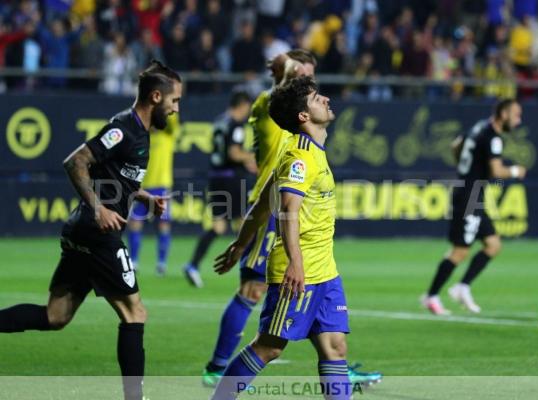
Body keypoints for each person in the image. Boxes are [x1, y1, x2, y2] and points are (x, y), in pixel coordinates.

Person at [0, 60, 182, 400]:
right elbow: (76, 161)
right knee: (135, 312)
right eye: (174, 101)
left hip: (81, 233)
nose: (175, 109)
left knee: (55, 316)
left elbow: (114, 176)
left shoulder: (139, 133)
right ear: (156, 97)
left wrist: (143, 197)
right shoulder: (124, 128)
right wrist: (99, 209)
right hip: (97, 233)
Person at [201, 49, 380, 388]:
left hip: (325, 270)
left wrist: (240, 245)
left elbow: (260, 208)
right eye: (315, 97)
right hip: (300, 271)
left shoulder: (306, 151)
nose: (325, 98)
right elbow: (285, 211)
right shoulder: (300, 157)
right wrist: (295, 264)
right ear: (302, 115)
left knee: (335, 347)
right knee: (269, 347)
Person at [421, 99, 527, 315]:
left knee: (493, 245)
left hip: (472, 193)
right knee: (460, 251)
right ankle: (431, 296)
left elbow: (455, 145)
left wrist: (465, 168)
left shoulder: (479, 127)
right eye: (516, 115)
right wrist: (516, 171)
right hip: (470, 196)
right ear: (504, 114)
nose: (518, 121)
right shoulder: (494, 138)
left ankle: (462, 287)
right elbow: (497, 171)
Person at [183, 91, 256, 287]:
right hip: (232, 180)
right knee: (243, 224)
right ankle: (251, 271)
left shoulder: (219, 121)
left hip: (216, 178)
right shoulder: (236, 125)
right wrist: (249, 158)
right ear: (241, 106)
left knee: (219, 227)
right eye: (247, 109)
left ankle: (193, 265)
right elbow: (233, 153)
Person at [127, 113, 180, 276]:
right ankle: (134, 262)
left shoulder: (168, 135)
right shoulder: (143, 138)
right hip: (142, 188)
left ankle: (161, 264)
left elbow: (173, 117)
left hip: (161, 187)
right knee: (134, 223)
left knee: (163, 225)